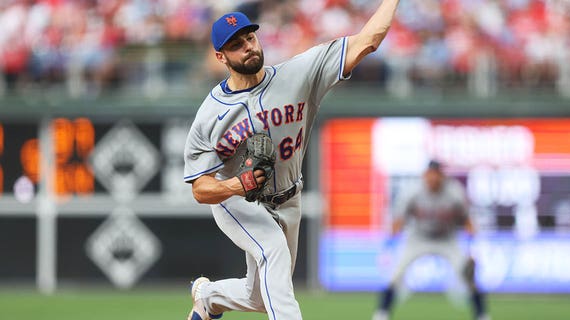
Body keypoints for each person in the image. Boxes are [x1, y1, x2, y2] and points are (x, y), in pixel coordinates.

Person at [182, 2, 401, 320]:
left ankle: (209, 296)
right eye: (235, 45)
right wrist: (234, 184)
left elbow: (369, 39)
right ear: (221, 57)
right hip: (239, 201)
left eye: (249, 38)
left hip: (289, 197)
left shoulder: (299, 74)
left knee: (259, 296)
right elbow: (200, 189)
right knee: (273, 251)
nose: (247, 47)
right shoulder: (210, 115)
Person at [372, 160, 490, 320]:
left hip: (447, 239)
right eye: (430, 175)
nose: (433, 179)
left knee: (468, 277)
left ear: (442, 177)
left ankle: (482, 315)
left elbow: (467, 221)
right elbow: (399, 220)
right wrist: (389, 245)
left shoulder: (454, 192)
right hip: (418, 238)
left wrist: (472, 247)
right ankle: (382, 313)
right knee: (396, 274)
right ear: (425, 176)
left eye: (437, 175)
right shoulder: (412, 191)